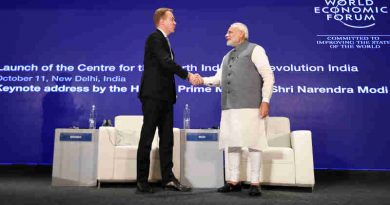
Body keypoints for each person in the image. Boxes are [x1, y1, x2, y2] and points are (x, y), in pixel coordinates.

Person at [194, 22, 275, 196]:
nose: (226, 35)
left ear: (242, 34)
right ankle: (233, 180)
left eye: (230, 32)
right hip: (229, 108)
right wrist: (202, 80)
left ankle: (255, 182)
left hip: (252, 106)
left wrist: (266, 100)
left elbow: (268, 76)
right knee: (232, 143)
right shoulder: (226, 56)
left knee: (254, 144)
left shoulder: (255, 50)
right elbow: (218, 79)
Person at [137, 8, 196, 193]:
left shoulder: (166, 42)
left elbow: (165, 69)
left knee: (167, 140)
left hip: (166, 98)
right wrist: (188, 75)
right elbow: (165, 63)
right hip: (153, 96)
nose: (175, 22)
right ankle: (141, 181)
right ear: (162, 21)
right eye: (172, 19)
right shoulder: (155, 38)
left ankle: (168, 178)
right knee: (147, 138)